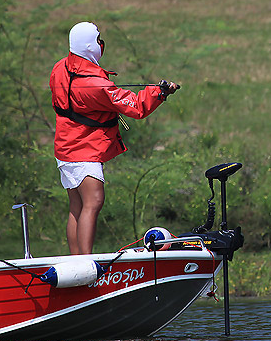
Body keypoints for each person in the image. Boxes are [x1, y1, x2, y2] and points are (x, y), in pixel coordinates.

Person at [49, 21, 179, 254]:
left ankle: (76, 260)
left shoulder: (59, 68)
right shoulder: (96, 86)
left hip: (64, 148)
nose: (101, 44)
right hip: (84, 151)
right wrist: (160, 92)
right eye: (98, 40)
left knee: (76, 206)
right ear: (90, 46)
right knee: (94, 201)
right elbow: (137, 107)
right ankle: (86, 263)